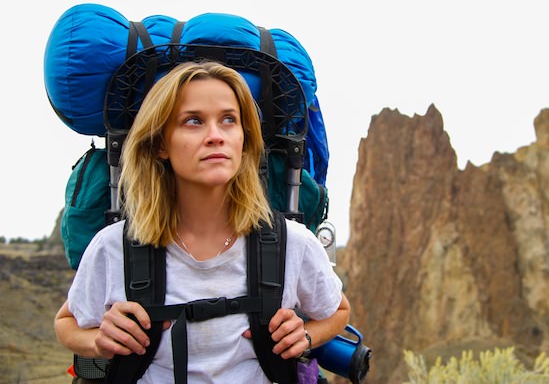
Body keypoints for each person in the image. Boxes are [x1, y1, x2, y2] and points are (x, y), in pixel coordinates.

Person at [54, 60, 350, 383]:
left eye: (229, 120)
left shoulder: (291, 243)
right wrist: (98, 341)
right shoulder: (114, 247)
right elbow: (67, 322)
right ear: (159, 144)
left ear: (243, 139)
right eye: (193, 121)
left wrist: (306, 335)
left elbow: (338, 311)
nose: (215, 136)